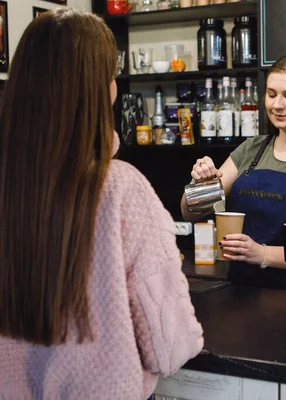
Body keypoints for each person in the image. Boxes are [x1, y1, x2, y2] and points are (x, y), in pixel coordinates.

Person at [0, 9, 203, 399]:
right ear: (98, 88)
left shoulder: (10, 187)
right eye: (111, 74)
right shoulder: (121, 189)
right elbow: (170, 346)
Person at [181, 53, 286, 292]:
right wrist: (201, 185)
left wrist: (262, 253)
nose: (277, 105)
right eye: (271, 94)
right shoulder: (251, 150)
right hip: (241, 294)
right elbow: (190, 212)